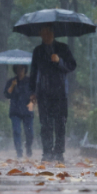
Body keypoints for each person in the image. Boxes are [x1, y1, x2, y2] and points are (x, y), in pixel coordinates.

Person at [29, 24, 77, 163]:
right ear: (40, 34)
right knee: (45, 124)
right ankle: (47, 152)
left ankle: (59, 152)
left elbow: (72, 65)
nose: (46, 36)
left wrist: (59, 61)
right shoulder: (37, 51)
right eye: (43, 33)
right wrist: (32, 92)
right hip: (43, 92)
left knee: (60, 122)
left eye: (48, 32)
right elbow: (33, 72)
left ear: (53, 33)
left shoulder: (63, 48)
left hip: (60, 91)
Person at [4, 64, 34, 158]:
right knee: (16, 131)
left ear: (25, 69)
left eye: (22, 68)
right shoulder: (11, 81)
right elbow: (7, 94)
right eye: (18, 69)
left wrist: (32, 101)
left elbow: (35, 93)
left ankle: (28, 146)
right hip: (15, 110)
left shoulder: (30, 81)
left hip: (27, 110)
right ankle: (19, 152)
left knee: (29, 132)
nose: (20, 70)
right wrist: (13, 85)